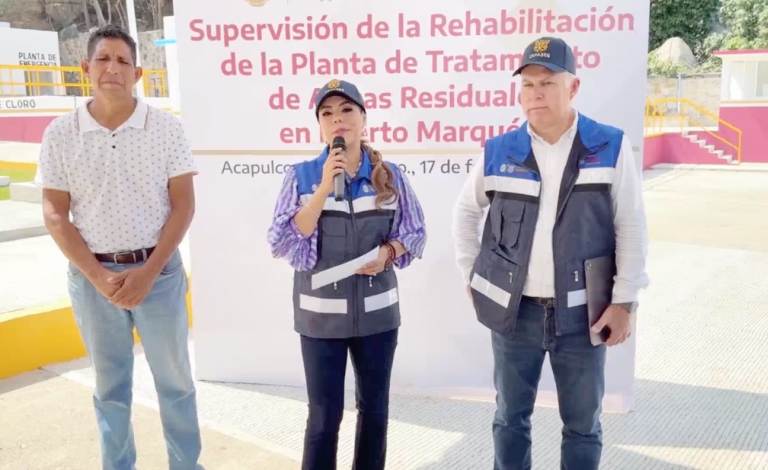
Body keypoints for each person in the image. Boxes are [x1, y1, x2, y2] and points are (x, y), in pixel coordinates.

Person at [452, 37, 649, 469]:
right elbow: (466, 213)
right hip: (514, 314)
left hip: (582, 315)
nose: (535, 93)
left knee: (582, 425)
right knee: (509, 419)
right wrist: (473, 276)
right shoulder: (499, 151)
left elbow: (631, 226)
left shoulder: (609, 147)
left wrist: (624, 301)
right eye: (526, 84)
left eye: (547, 82)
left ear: (573, 87)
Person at [35, 25, 203, 470]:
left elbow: (183, 206)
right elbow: (55, 214)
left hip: (159, 274)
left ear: (139, 73)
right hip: (93, 283)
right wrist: (99, 277)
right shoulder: (60, 133)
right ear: (85, 68)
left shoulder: (166, 128)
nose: (113, 68)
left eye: (123, 61)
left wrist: (147, 273)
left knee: (176, 383)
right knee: (111, 387)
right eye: (103, 59)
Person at [267, 78, 427, 470]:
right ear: (320, 127)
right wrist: (323, 189)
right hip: (321, 319)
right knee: (324, 418)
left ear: (363, 118)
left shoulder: (389, 176)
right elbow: (283, 241)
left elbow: (415, 232)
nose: (337, 120)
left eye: (346, 111)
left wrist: (389, 252)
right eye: (327, 114)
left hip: (377, 316)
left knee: (375, 412)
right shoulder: (302, 176)